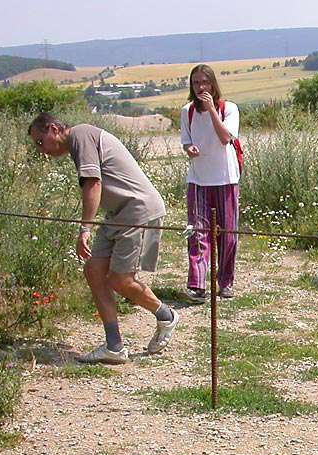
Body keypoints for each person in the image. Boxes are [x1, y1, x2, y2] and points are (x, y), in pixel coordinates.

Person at [28, 114, 178, 364]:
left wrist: (85, 228)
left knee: (121, 280)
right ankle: (114, 346)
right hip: (118, 213)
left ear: (53, 129)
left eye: (40, 142)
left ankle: (166, 315)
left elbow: (93, 184)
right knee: (94, 270)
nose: (40, 149)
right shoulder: (78, 142)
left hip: (137, 209)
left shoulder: (81, 135)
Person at [180, 64, 240, 302]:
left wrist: (212, 110)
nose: (201, 87)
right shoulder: (187, 111)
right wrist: (189, 149)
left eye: (205, 82)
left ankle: (225, 282)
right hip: (198, 180)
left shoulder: (229, 108)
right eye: (196, 83)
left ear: (213, 84)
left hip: (226, 179)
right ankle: (197, 285)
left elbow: (225, 138)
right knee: (197, 233)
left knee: (227, 235)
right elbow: (186, 141)